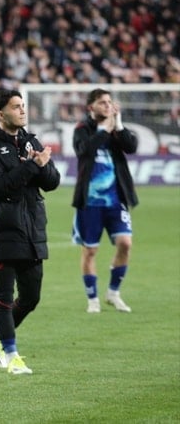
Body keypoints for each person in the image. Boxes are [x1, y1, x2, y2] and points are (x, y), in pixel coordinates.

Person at [0, 89, 60, 375]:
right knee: (3, 296)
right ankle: (11, 355)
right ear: (1, 114)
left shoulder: (30, 141)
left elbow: (52, 182)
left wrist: (41, 167)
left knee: (31, 297)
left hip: (32, 229)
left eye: (23, 105)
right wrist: (32, 166)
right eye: (16, 106)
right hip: (2, 229)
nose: (23, 110)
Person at [72, 88, 139, 313]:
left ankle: (113, 293)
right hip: (90, 202)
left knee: (125, 243)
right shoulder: (82, 129)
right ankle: (93, 299)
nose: (108, 106)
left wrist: (118, 125)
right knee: (90, 251)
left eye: (109, 102)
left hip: (116, 200)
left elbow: (131, 147)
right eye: (102, 102)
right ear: (91, 107)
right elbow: (85, 151)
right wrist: (103, 130)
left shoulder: (115, 131)